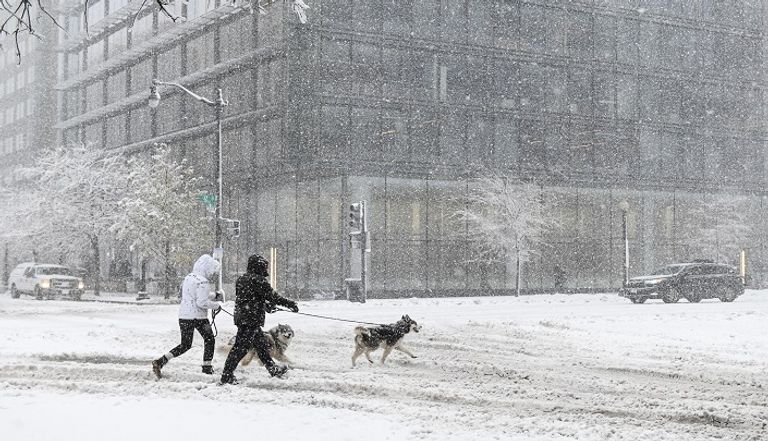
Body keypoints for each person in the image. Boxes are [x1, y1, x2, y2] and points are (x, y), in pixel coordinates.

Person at [220, 254, 299, 384]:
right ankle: (226, 376)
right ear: (259, 266)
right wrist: (290, 304)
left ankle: (273, 369)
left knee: (261, 347)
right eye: (264, 266)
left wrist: (264, 305)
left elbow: (249, 298)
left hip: (243, 316)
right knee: (240, 349)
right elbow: (273, 297)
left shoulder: (242, 279)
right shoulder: (259, 280)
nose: (265, 269)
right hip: (251, 319)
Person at [152, 254, 223, 379]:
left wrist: (213, 296)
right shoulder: (203, 281)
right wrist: (216, 305)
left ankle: (161, 361)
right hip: (198, 317)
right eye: (212, 270)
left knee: (185, 344)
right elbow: (201, 302)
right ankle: (207, 367)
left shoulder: (189, 277)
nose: (212, 274)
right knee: (209, 340)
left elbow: (195, 295)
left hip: (184, 316)